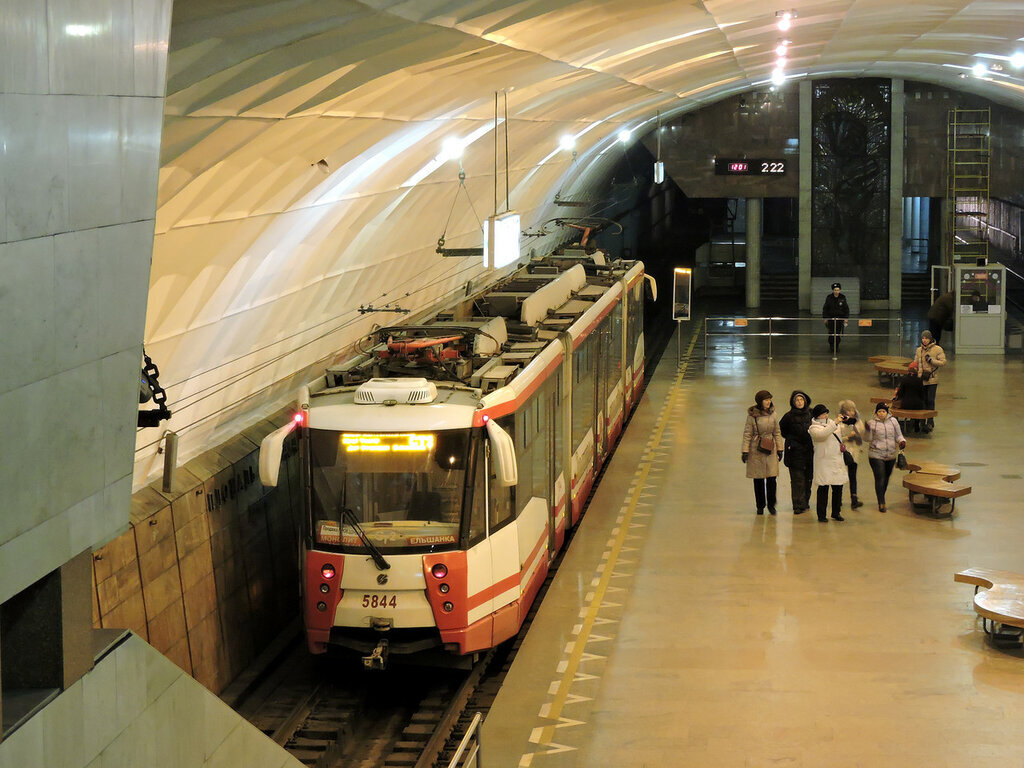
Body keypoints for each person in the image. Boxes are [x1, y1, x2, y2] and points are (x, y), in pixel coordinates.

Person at [741, 390, 783, 516]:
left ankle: (771, 505)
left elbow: (777, 432)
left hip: (770, 448)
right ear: (760, 401)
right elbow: (747, 434)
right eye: (766, 400)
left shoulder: (773, 414)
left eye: (769, 399)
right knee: (758, 479)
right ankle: (760, 505)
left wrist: (780, 448)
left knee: (772, 479)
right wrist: (745, 451)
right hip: (756, 449)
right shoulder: (752, 416)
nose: (768, 402)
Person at [863, 402, 906, 513]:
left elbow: (899, 435)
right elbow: (867, 439)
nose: (881, 414)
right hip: (875, 454)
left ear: (887, 412)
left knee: (886, 478)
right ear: (876, 412)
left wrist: (902, 441)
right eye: (879, 411)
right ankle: (881, 502)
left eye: (883, 411)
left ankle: (881, 495)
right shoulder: (871, 423)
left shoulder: (893, 421)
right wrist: (867, 431)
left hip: (891, 454)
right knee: (880, 477)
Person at [808, 404, 847, 522]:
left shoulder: (833, 423)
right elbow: (822, 435)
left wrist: (849, 421)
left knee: (838, 488)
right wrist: (835, 423)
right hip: (823, 461)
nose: (825, 415)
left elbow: (843, 432)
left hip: (836, 460)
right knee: (823, 489)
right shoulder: (813, 428)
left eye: (826, 412)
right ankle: (821, 515)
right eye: (823, 413)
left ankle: (836, 512)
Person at [779, 390, 814, 514]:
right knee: (797, 479)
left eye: (801, 400)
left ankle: (805, 501)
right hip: (795, 452)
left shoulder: (811, 413)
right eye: (797, 400)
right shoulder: (788, 416)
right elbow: (782, 430)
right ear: (793, 402)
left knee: (808, 478)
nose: (799, 402)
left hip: (810, 451)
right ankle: (798, 504)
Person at [914, 330, 947, 433]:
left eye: (926, 338)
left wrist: (931, 361)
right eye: (923, 338)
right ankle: (922, 421)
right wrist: (914, 369)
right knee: (922, 400)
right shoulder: (919, 350)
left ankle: (930, 421)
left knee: (930, 400)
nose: (924, 340)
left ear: (930, 339)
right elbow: (915, 362)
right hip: (921, 379)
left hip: (932, 379)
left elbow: (943, 362)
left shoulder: (937, 349)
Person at [837, 400, 865, 509]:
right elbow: (837, 436)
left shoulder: (858, 421)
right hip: (844, 451)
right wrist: (848, 436)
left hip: (854, 452)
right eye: (849, 410)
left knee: (853, 475)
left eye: (853, 410)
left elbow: (862, 432)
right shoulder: (839, 421)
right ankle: (838, 499)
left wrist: (857, 434)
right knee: (841, 476)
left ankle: (854, 498)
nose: (851, 412)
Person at [892, 361, 927, 433]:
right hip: (918, 405)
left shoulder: (904, 379)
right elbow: (922, 394)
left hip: (906, 404)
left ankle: (898, 426)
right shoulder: (919, 380)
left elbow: (900, 393)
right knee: (919, 407)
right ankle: (916, 426)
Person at [822, 282, 850, 353]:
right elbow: (825, 308)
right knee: (831, 333)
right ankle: (831, 346)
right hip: (831, 318)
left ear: (840, 290)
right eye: (835, 290)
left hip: (839, 318)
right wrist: (825, 318)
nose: (836, 291)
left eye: (838, 290)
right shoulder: (829, 297)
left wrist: (846, 318)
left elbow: (846, 309)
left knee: (837, 333)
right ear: (833, 290)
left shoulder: (842, 297)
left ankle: (836, 346)